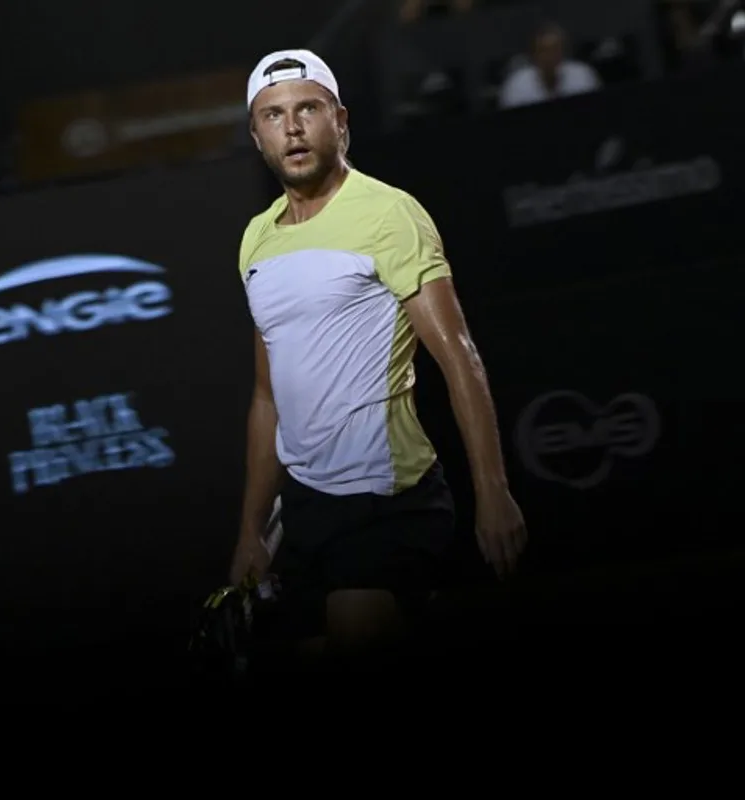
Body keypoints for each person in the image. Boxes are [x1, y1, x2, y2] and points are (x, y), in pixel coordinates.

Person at [228, 49, 527, 669]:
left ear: (339, 119)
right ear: (256, 134)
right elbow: (267, 397)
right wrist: (251, 533)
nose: (292, 127)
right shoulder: (256, 238)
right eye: (273, 115)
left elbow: (460, 356)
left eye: (308, 109)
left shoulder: (390, 213)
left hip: (385, 499)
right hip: (304, 506)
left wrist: (493, 491)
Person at [498, 21, 602, 110]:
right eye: (544, 51)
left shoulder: (583, 75)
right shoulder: (516, 85)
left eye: (555, 50)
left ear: (563, 53)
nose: (550, 57)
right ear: (533, 55)